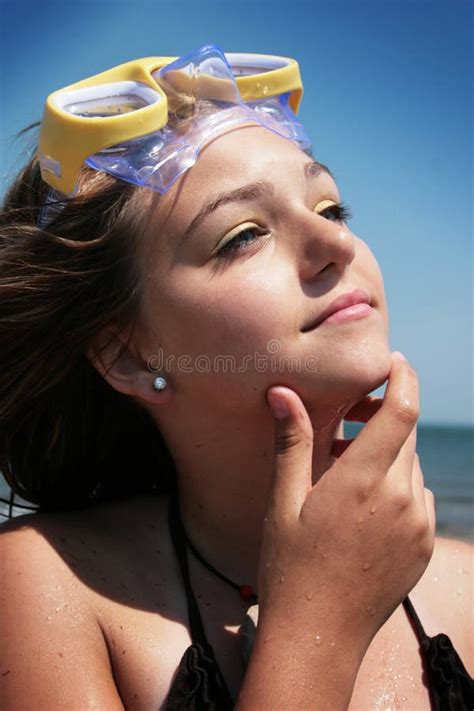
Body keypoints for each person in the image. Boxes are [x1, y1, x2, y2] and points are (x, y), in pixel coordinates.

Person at [0, 45, 472, 710]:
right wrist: (318, 623)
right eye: (243, 235)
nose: (334, 242)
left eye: (331, 208)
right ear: (128, 356)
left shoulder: (471, 589)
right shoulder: (47, 587)